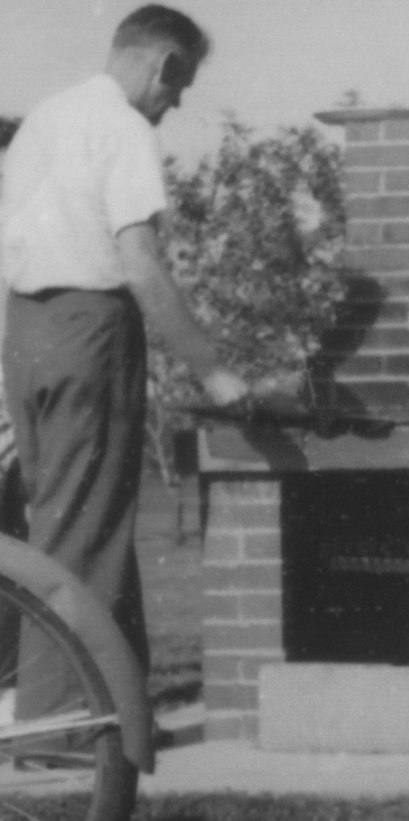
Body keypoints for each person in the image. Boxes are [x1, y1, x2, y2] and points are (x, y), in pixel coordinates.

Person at [0, 5, 252, 720]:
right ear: (164, 65)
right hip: (90, 331)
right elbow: (141, 267)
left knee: (74, 519)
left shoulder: (46, 119)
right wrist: (212, 370)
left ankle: (117, 704)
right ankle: (67, 725)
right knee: (83, 532)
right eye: (182, 86)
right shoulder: (123, 128)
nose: (176, 103)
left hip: (25, 333)